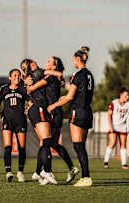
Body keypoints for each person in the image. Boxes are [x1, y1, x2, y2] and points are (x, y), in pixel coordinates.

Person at [26, 56, 78, 184]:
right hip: (56, 111)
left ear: (54, 66)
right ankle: (69, 168)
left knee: (46, 142)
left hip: (52, 111)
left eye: (49, 61)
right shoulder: (53, 76)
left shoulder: (49, 77)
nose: (46, 62)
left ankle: (41, 172)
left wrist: (28, 84)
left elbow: (32, 88)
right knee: (52, 143)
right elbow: (58, 75)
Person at [48, 47, 94, 187]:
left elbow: (70, 97)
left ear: (78, 59)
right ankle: (85, 176)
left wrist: (54, 105)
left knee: (78, 146)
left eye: (74, 59)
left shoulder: (78, 75)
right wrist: (64, 97)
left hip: (78, 112)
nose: (73, 62)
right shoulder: (89, 75)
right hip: (87, 111)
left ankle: (86, 177)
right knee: (82, 147)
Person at [20, 59, 57, 185]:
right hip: (39, 107)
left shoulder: (30, 77)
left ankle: (37, 172)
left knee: (44, 142)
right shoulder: (37, 73)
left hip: (35, 109)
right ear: (31, 65)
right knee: (47, 140)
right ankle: (47, 171)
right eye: (34, 61)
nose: (37, 62)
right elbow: (55, 73)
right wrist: (58, 74)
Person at [0, 69, 29, 182]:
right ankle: (8, 172)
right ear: (10, 77)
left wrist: (28, 109)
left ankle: (20, 172)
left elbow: (30, 101)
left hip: (21, 121)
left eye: (19, 75)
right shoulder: (4, 88)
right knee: (8, 146)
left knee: (22, 147)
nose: (17, 77)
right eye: (15, 75)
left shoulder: (23, 89)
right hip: (7, 120)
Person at [103, 87, 129, 170]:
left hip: (123, 127)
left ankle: (124, 164)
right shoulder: (114, 103)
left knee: (123, 144)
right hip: (114, 126)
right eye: (126, 95)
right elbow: (109, 115)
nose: (127, 97)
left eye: (128, 95)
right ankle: (106, 161)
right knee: (113, 143)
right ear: (121, 95)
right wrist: (110, 126)